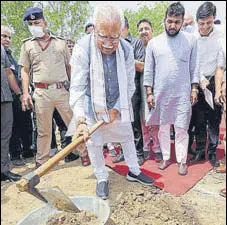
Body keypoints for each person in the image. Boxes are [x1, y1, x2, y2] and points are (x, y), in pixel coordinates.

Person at [67, 4, 155, 199]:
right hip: (91, 105)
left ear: (121, 31)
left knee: (126, 136)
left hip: (118, 102)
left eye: (114, 37)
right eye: (103, 36)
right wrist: (80, 120)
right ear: (95, 29)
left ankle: (134, 170)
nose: (108, 43)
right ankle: (101, 177)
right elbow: (77, 88)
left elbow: (130, 84)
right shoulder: (83, 48)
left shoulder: (125, 48)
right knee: (94, 143)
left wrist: (115, 108)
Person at [144, 2, 199, 175]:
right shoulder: (154, 43)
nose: (172, 25)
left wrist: (194, 89)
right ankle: (166, 157)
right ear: (164, 20)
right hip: (161, 94)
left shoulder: (191, 40)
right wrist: (149, 92)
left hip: (183, 93)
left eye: (176, 22)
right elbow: (148, 70)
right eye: (169, 21)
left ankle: (182, 160)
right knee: (163, 127)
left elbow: (194, 67)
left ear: (182, 22)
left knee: (182, 128)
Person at [19, 7, 73, 168]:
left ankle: (84, 153)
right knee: (44, 130)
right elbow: (25, 71)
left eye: (37, 22)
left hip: (62, 90)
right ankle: (42, 161)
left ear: (45, 23)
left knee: (74, 124)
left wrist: (76, 89)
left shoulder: (60, 43)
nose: (34, 25)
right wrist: (25, 93)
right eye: (31, 23)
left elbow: (69, 67)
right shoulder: (27, 45)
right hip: (41, 93)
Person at [187, 2, 225, 167]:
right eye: (201, 23)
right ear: (197, 21)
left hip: (214, 81)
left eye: (208, 23)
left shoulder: (221, 35)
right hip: (197, 82)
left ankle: (212, 153)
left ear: (214, 19)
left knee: (214, 120)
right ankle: (199, 151)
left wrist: (220, 85)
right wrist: (200, 80)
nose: (205, 27)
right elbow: (191, 62)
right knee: (199, 120)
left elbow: (221, 64)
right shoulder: (192, 37)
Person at [113, 16, 145, 165]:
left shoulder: (136, 43)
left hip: (132, 89)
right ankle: (124, 152)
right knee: (120, 123)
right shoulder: (112, 43)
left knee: (134, 123)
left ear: (125, 28)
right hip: (116, 89)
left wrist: (122, 56)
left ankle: (139, 153)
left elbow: (141, 66)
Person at [1, 25, 33, 166]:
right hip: (7, 97)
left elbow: (14, 74)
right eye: (4, 36)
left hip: (14, 96)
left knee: (23, 124)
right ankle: (14, 155)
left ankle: (26, 151)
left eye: (9, 37)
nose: (7, 39)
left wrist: (22, 93)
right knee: (12, 129)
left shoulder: (10, 56)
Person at [137, 18, 163, 161]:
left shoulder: (158, 46)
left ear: (152, 31)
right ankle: (146, 147)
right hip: (140, 87)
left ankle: (157, 147)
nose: (144, 32)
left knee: (155, 118)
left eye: (146, 29)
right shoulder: (135, 48)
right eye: (141, 30)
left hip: (156, 87)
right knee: (143, 119)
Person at [1, 44, 22, 182]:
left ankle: (3, 170)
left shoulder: (2, 49)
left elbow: (8, 72)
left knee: (5, 135)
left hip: (5, 97)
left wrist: (20, 93)